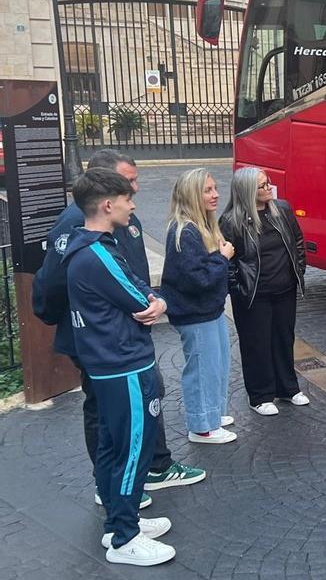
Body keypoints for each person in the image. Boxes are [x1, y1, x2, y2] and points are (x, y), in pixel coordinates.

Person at [33, 150, 205, 504]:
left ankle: (155, 467)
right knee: (105, 410)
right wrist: (64, 321)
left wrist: (151, 301)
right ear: (105, 190)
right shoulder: (75, 222)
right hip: (98, 340)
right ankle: (110, 487)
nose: (136, 191)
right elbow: (51, 284)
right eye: (129, 183)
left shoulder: (128, 218)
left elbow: (133, 273)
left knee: (148, 395)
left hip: (131, 335)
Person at [63, 169, 174, 566]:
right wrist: (158, 302)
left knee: (113, 445)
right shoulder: (97, 254)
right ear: (108, 204)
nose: (133, 205)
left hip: (109, 363)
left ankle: (118, 523)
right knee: (133, 449)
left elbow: (134, 287)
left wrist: (151, 297)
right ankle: (125, 536)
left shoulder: (88, 248)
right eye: (127, 199)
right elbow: (139, 297)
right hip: (124, 364)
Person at [220, 167, 311, 417]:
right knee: (256, 344)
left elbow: (298, 241)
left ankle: (288, 388)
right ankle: (260, 396)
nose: (269, 187)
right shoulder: (230, 221)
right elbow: (227, 261)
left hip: (284, 288)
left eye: (268, 182)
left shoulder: (281, 209)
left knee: (284, 338)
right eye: (262, 185)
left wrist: (298, 272)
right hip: (253, 294)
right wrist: (238, 288)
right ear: (248, 191)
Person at [161, 169, 236, 444]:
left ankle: (212, 414)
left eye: (215, 188)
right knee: (203, 369)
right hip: (195, 313)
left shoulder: (199, 227)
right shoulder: (185, 232)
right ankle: (202, 425)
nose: (215, 194)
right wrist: (223, 257)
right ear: (193, 194)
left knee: (217, 365)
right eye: (207, 190)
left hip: (208, 310)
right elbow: (199, 278)